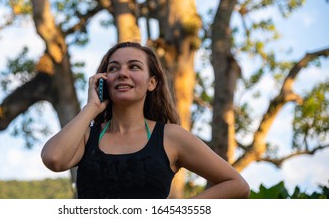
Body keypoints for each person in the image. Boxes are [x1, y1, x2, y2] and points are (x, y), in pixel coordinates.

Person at [41, 41, 250, 199]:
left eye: (134, 67)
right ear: (103, 81)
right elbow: (54, 159)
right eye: (113, 68)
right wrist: (91, 108)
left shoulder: (171, 136)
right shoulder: (87, 137)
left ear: (152, 83)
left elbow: (237, 185)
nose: (122, 73)